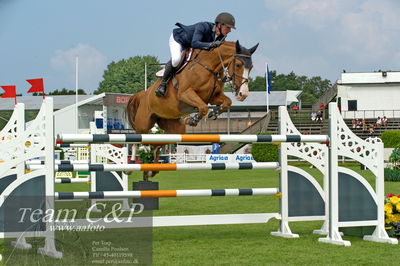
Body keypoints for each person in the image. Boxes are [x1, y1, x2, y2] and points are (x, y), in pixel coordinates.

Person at [155, 12, 236, 97]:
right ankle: (162, 85)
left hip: (190, 45)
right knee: (176, 60)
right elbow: (194, 43)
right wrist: (210, 45)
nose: (230, 30)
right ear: (219, 25)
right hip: (179, 40)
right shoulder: (203, 27)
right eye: (228, 27)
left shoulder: (221, 36)